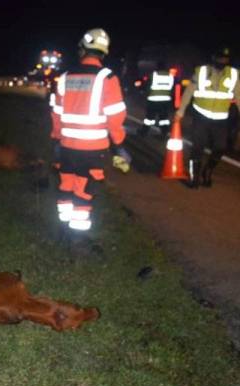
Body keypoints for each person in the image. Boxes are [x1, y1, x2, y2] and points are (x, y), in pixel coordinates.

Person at [50, 28, 127, 244]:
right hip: (93, 150)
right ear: (104, 52)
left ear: (82, 49)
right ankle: (76, 241)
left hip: (66, 147)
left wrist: (56, 139)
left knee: (66, 185)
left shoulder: (65, 77)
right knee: (83, 191)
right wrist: (119, 145)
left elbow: (55, 113)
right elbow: (115, 116)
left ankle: (63, 230)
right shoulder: (107, 78)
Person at [176, 47, 240, 188]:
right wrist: (181, 111)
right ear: (213, 57)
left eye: (225, 59)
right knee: (198, 147)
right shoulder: (201, 71)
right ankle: (194, 179)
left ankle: (208, 171)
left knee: (220, 148)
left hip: (221, 119)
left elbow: (238, 95)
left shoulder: (234, 74)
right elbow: (189, 91)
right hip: (201, 117)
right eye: (220, 58)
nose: (222, 61)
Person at [139, 61, 174, 137]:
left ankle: (144, 132)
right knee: (164, 118)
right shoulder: (170, 76)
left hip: (153, 100)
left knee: (149, 118)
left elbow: (147, 87)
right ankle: (164, 133)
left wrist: (145, 95)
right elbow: (172, 89)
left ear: (157, 67)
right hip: (165, 100)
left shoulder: (154, 75)